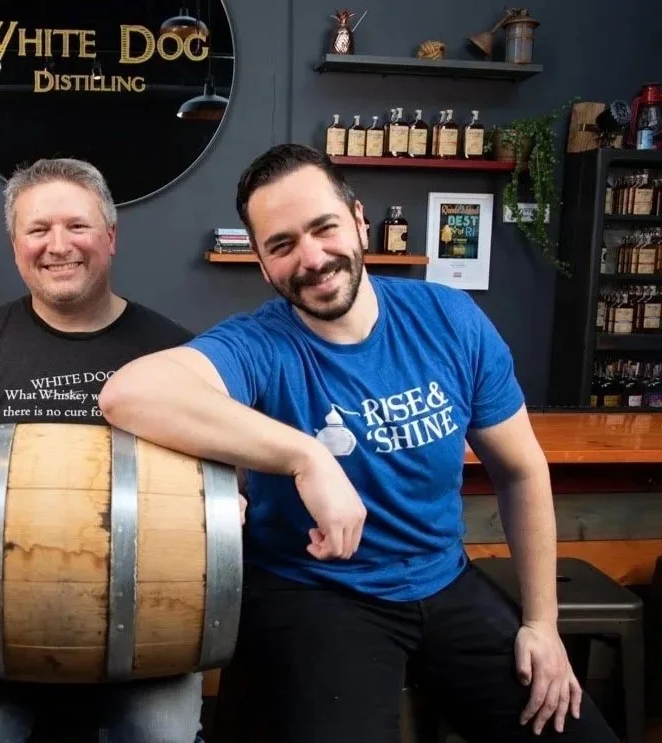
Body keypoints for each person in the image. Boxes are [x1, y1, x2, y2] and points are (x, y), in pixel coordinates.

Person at [97, 143, 621, 742]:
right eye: (283, 245)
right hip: (316, 594)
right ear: (264, 266)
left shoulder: (450, 319)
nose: (313, 258)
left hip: (445, 580)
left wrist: (542, 623)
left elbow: (522, 472)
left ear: (359, 220)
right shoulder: (259, 345)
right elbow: (128, 394)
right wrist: (307, 455)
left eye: (324, 228)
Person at [0, 157, 203, 743]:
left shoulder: (176, 353)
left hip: (142, 622)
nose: (57, 245)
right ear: (16, 246)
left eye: (78, 226)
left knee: (162, 736)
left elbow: (211, 493)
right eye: (38, 230)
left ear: (111, 238)